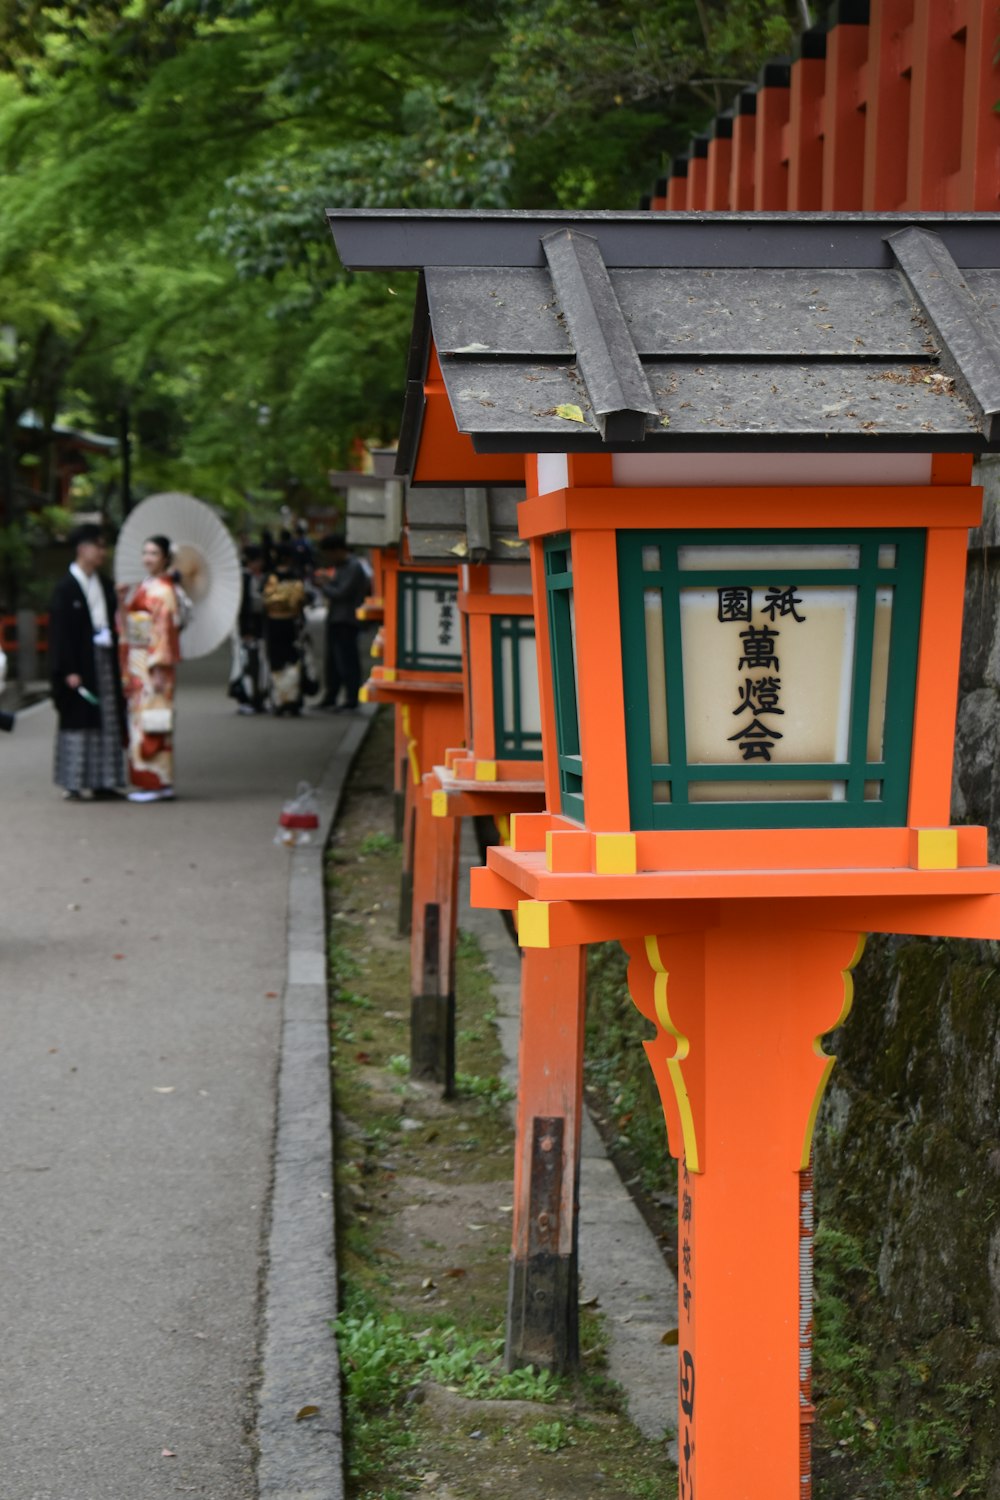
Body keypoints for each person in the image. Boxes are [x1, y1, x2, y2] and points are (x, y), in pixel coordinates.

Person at [49, 523, 127, 801]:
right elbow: (60, 634)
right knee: (80, 719)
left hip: (103, 657)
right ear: (83, 549)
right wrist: (68, 669)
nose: (102, 552)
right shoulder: (66, 588)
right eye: (99, 546)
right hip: (78, 662)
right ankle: (74, 780)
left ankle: (105, 780)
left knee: (107, 716)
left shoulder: (105, 585)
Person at [118, 534, 182, 803]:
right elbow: (131, 627)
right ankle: (148, 781)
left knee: (153, 723)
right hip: (139, 661)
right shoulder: (146, 586)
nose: (148, 558)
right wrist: (122, 601)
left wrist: (158, 667)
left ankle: (158, 782)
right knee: (140, 722)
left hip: (154, 665)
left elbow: (164, 631)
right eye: (145, 553)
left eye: (154, 553)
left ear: (165, 558)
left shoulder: (164, 591)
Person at [317, 533, 369, 711]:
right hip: (335, 618)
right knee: (332, 661)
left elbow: (341, 593)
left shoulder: (353, 567)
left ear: (338, 551)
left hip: (347, 620)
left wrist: (324, 584)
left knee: (347, 661)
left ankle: (351, 699)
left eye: (329, 554)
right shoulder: (341, 567)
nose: (328, 558)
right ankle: (331, 696)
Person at [262, 544, 308, 715]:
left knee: (276, 663)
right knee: (293, 661)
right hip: (291, 624)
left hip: (274, 623)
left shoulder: (270, 578)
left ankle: (279, 699)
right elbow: (301, 600)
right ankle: (293, 698)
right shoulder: (295, 577)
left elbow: (265, 600)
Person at [228, 544, 267, 714]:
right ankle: (249, 699)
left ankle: (252, 699)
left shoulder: (243, 578)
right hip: (248, 628)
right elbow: (248, 606)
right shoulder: (247, 578)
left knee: (249, 664)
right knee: (248, 665)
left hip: (245, 627)